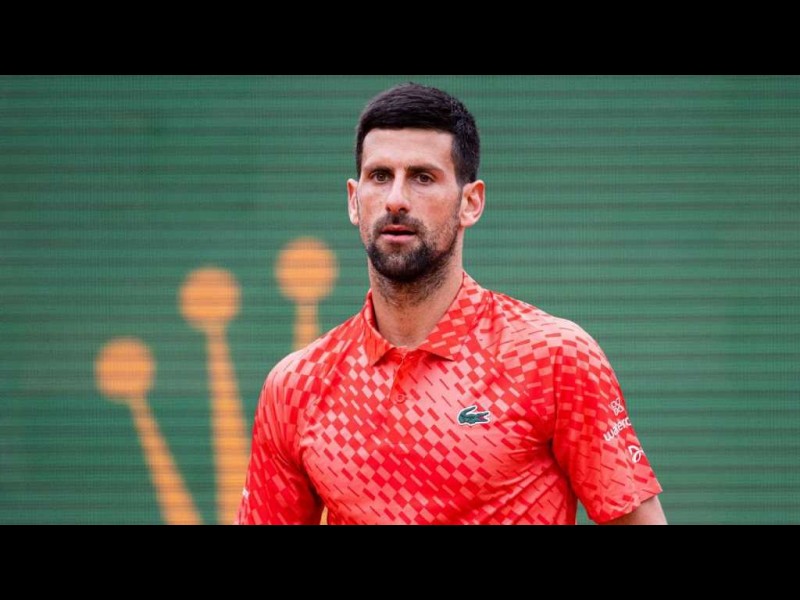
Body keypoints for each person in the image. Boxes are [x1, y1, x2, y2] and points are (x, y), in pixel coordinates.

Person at [236, 82, 666, 525]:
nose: (396, 199)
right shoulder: (296, 387)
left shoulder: (553, 357)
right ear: (353, 200)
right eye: (379, 176)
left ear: (470, 202)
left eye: (423, 177)